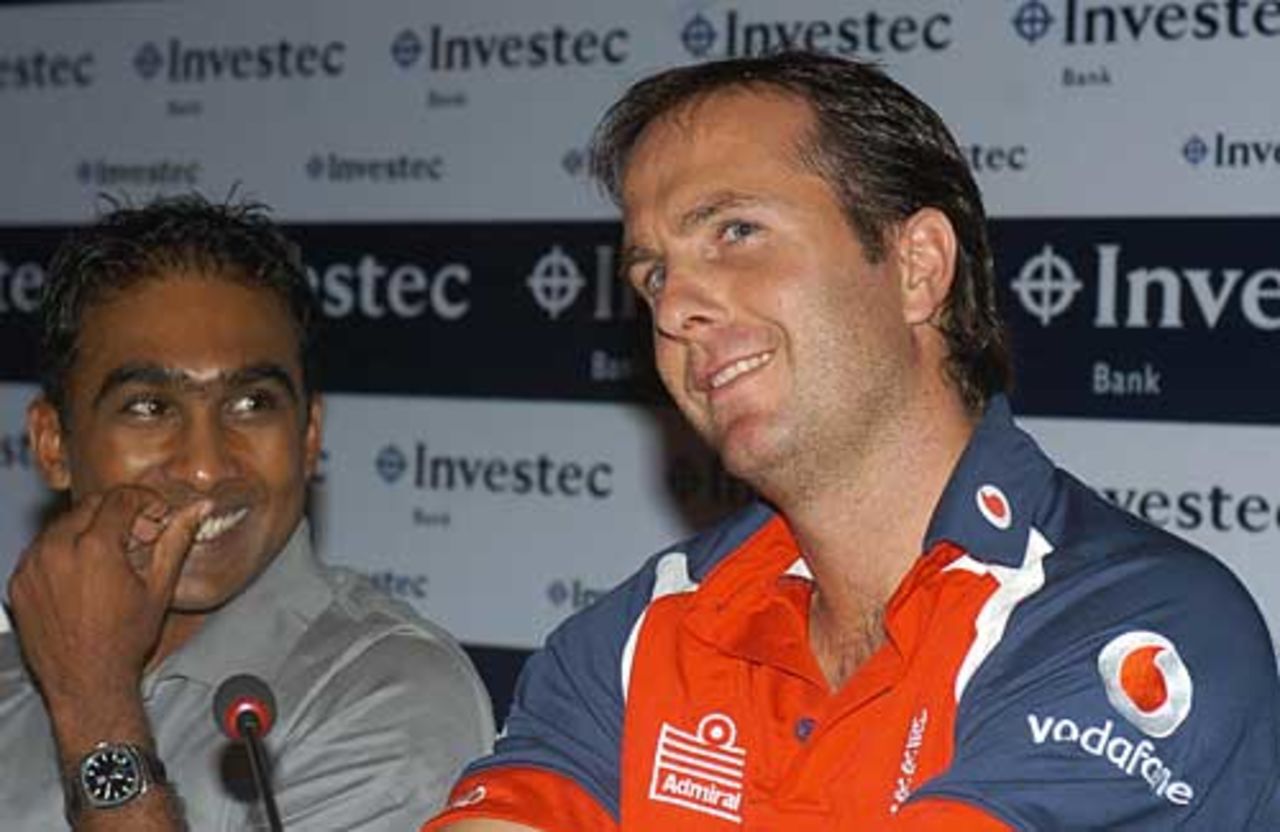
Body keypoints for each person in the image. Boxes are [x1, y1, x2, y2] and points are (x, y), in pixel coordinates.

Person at [423, 51, 1280, 831]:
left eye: (735, 233)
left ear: (917, 268)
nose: (675, 304)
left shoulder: (1135, 632)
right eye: (652, 275)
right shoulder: (645, 633)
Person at [1, 195, 494, 830]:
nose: (206, 466)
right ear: (53, 444)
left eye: (251, 403)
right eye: (150, 407)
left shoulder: (390, 694)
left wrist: (96, 712)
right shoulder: (18, 667)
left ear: (310, 435)